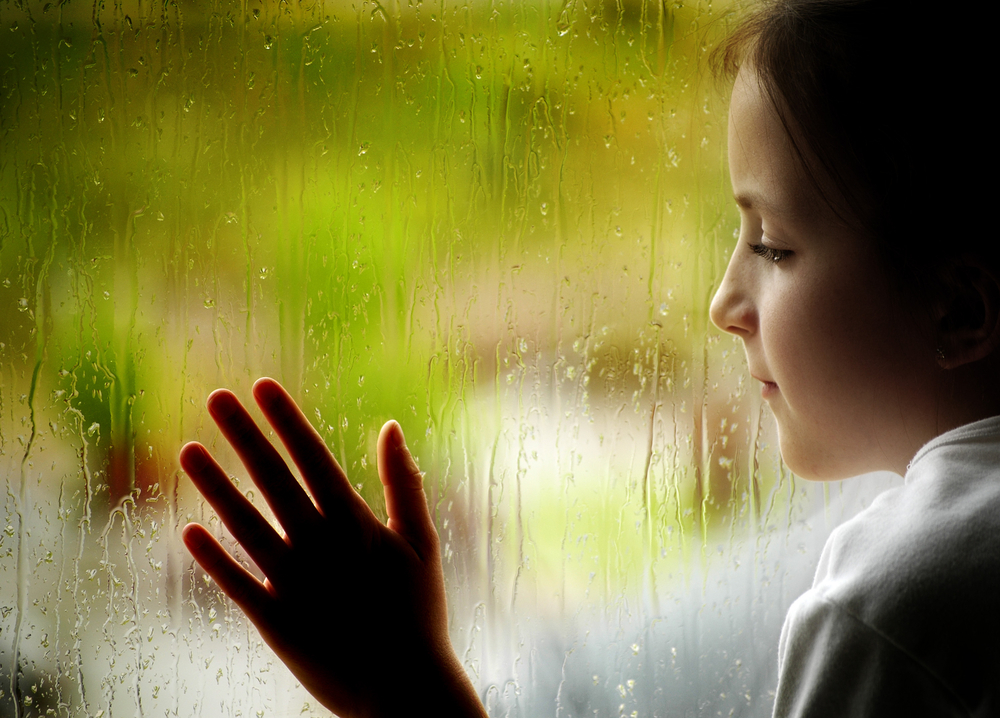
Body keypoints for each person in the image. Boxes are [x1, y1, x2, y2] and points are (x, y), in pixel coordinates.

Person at [179, 1, 1000, 715]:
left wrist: (405, 689)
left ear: (960, 310)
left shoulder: (892, 617)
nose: (723, 304)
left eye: (773, 246)